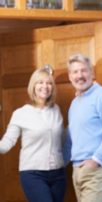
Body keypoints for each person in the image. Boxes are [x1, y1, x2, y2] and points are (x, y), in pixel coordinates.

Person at [64, 53, 102, 202]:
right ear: (69, 76)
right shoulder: (75, 103)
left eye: (83, 70)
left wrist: (96, 160)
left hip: (96, 170)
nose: (80, 75)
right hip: (77, 170)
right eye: (75, 72)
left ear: (92, 73)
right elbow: (72, 137)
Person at [0, 65, 66, 202]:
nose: (45, 86)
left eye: (49, 83)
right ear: (33, 86)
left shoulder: (56, 110)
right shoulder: (21, 114)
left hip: (58, 174)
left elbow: (63, 139)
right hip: (33, 174)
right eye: (40, 82)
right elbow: (7, 142)